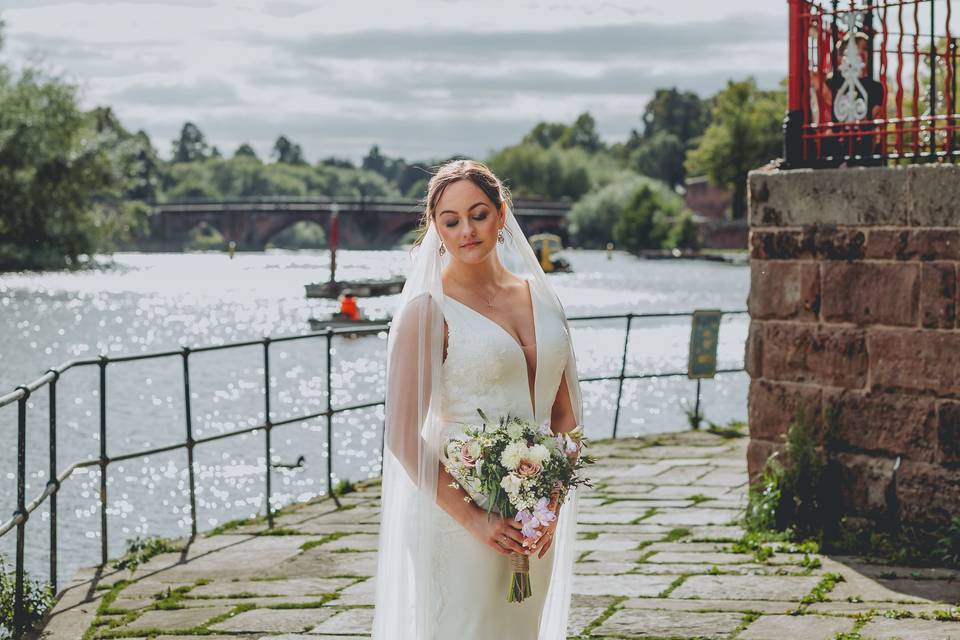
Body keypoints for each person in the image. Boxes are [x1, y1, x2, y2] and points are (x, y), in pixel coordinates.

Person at [372, 160, 585, 639]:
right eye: (451, 220)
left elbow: (566, 418)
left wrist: (548, 506)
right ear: (436, 229)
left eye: (479, 214)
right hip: (458, 516)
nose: (467, 230)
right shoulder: (428, 311)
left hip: (533, 521)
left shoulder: (544, 299)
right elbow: (402, 436)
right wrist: (477, 520)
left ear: (502, 213)